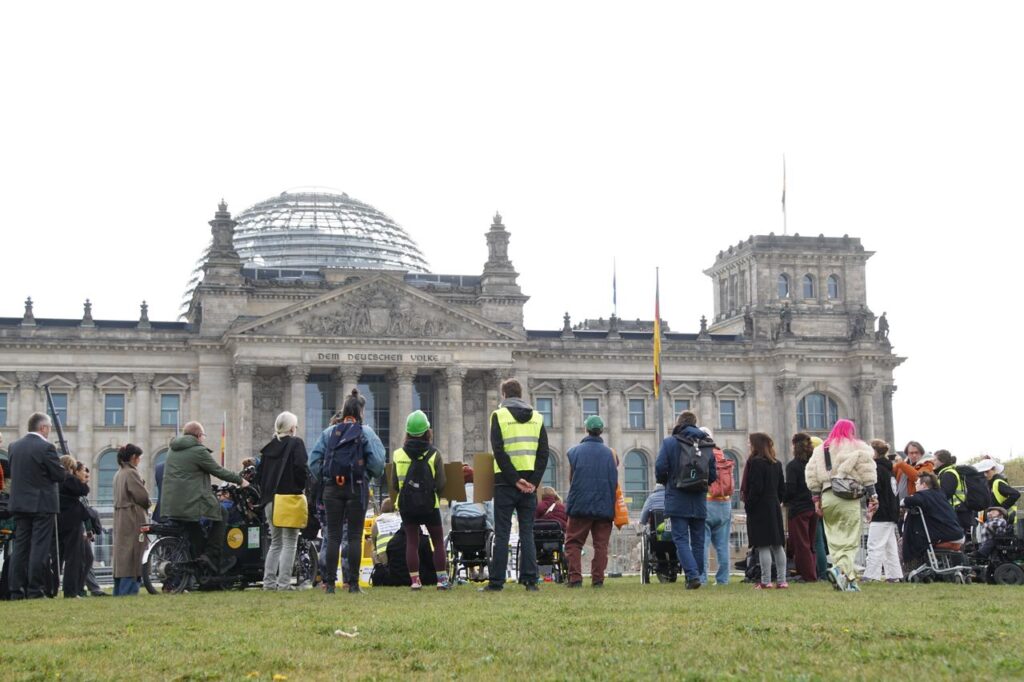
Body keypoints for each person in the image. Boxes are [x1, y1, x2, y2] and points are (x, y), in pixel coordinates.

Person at [309, 389, 385, 594]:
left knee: (332, 536)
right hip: (356, 488)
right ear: (361, 411)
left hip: (332, 490)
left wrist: (327, 478)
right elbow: (379, 464)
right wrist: (364, 475)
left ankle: (330, 585)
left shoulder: (328, 433)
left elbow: (313, 462)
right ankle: (352, 585)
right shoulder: (366, 432)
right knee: (353, 536)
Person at [482, 378, 549, 593]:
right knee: (527, 532)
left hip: (505, 483)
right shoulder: (537, 418)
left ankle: (496, 583)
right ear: (520, 395)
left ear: (504, 395)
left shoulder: (499, 415)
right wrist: (533, 481)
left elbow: (498, 451)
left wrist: (514, 479)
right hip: (529, 485)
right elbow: (543, 453)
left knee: (502, 533)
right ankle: (531, 581)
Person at [161, 422, 247, 575]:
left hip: (172, 503)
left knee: (196, 533)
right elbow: (217, 470)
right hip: (191, 501)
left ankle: (202, 566)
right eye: (203, 436)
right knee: (222, 513)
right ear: (198, 436)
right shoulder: (198, 451)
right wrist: (240, 480)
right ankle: (211, 555)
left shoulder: (172, 450)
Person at [805, 419, 877, 592]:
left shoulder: (820, 450)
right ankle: (840, 570)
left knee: (835, 539)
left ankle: (849, 582)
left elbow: (811, 475)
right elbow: (867, 471)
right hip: (848, 496)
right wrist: (873, 495)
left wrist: (816, 500)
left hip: (827, 496)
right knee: (850, 539)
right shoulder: (857, 446)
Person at [655, 410, 718, 590]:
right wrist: (700, 484)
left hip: (677, 496)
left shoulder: (669, 443)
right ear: (695, 423)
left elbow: (660, 468)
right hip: (698, 499)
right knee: (698, 540)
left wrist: (667, 482)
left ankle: (692, 576)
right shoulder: (707, 444)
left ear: (679, 423)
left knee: (680, 539)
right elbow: (712, 474)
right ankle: (696, 574)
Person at [7, 412, 67, 600]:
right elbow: (59, 475)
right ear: (43, 428)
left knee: (20, 548)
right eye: (48, 428)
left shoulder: (14, 446)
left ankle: (16, 590)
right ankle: (35, 590)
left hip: (19, 504)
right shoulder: (46, 447)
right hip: (42, 504)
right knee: (39, 547)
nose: (49, 431)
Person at [389, 410, 449, 591]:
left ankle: (415, 581)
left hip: (407, 505)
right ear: (427, 431)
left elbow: (394, 484)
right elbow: (441, 483)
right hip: (430, 504)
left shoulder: (398, 454)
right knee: (437, 541)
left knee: (412, 542)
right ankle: (442, 580)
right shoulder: (434, 454)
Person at [255, 411, 310, 592]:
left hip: (270, 500)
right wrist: (300, 488)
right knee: (290, 542)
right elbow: (301, 468)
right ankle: (284, 583)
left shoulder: (268, 448)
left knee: (275, 542)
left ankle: (269, 583)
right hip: (289, 498)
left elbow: (260, 476)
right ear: (292, 428)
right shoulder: (296, 443)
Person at [563, 415, 617, 588]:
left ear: (585, 429)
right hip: (604, 506)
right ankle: (598, 579)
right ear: (601, 431)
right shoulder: (611, 454)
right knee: (601, 545)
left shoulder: (574, 452)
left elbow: (572, 479)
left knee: (573, 543)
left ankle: (575, 578)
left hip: (580, 505)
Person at [743, 433, 787, 589]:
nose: (749, 445)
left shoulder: (756, 463)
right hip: (774, 506)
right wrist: (776, 501)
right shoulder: (777, 464)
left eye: (750, 443)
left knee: (762, 545)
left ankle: (766, 580)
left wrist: (748, 505)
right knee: (777, 544)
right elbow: (782, 489)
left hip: (760, 507)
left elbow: (756, 488)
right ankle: (782, 580)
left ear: (757, 445)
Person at [901, 472, 964, 566]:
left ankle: (907, 568)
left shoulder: (923, 496)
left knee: (905, 542)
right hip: (958, 535)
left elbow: (905, 501)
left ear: (924, 485)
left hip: (945, 537)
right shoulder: (940, 495)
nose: (915, 485)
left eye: (917, 483)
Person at [112, 443, 150, 596]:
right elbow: (142, 496)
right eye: (139, 458)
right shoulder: (131, 473)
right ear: (133, 458)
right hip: (132, 517)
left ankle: (119, 589)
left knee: (122, 553)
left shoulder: (118, 473)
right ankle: (129, 589)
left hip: (121, 517)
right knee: (134, 552)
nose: (139, 461)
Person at [863, 440, 902, 583]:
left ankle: (871, 574)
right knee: (889, 546)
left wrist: (870, 510)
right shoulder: (888, 470)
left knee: (875, 545)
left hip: (882, 513)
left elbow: (874, 493)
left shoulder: (876, 470)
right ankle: (894, 574)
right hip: (891, 512)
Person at [702, 427, 734, 586]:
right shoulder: (721, 454)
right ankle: (723, 579)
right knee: (723, 545)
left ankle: (702, 578)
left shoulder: (702, 454)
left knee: (703, 543)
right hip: (725, 503)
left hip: (707, 502)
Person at [784, 433, 817, 583]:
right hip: (812, 506)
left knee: (801, 544)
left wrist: (783, 499)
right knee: (811, 543)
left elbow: (790, 488)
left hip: (798, 509)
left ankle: (807, 575)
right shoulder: (813, 464)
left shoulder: (793, 466)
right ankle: (811, 572)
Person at [57, 456, 89, 598]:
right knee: (73, 557)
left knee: (58, 556)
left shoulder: (56, 478)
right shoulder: (69, 479)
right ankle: (70, 590)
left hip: (59, 520)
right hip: (72, 521)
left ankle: (52, 587)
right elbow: (83, 489)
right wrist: (82, 480)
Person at [933, 450, 975, 539]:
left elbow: (945, 493)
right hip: (959, 512)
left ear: (942, 461)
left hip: (957, 512)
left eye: (935, 460)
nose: (933, 462)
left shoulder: (948, 473)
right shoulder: (947, 472)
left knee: (957, 542)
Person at [451, 465, 495, 530]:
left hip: (460, 528)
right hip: (480, 528)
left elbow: (453, 514)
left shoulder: (456, 494)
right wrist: (490, 527)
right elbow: (490, 514)